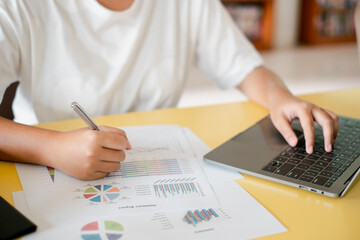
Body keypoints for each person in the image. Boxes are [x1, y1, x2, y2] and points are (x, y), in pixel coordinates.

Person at [0, 0, 338, 180]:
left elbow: (245, 67)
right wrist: (52, 149)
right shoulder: (19, 6)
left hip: (156, 170)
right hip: (43, 172)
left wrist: (280, 97)